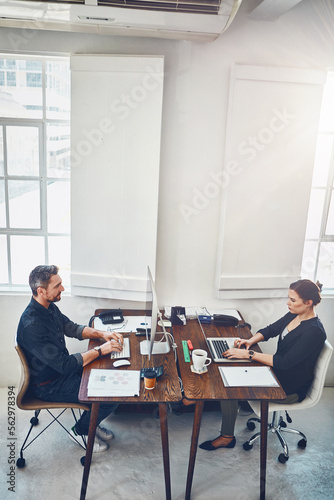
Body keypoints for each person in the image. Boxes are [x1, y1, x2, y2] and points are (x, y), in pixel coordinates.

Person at [199, 279, 326, 451]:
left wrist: (249, 354)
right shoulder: (295, 314)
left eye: (293, 300)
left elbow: (285, 362)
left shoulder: (314, 331)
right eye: (288, 298)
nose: (288, 303)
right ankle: (225, 405)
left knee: (229, 385)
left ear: (308, 303)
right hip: (275, 372)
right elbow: (270, 330)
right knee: (230, 367)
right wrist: (249, 342)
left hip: (287, 387)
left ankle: (226, 437)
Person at [16, 265, 125, 453]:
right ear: (41, 291)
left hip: (60, 371)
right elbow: (65, 365)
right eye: (58, 285)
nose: (63, 289)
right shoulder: (32, 326)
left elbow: (71, 327)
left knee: (108, 374)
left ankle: (92, 421)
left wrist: (102, 333)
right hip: (48, 386)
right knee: (111, 396)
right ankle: (80, 431)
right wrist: (100, 350)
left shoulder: (48, 308)